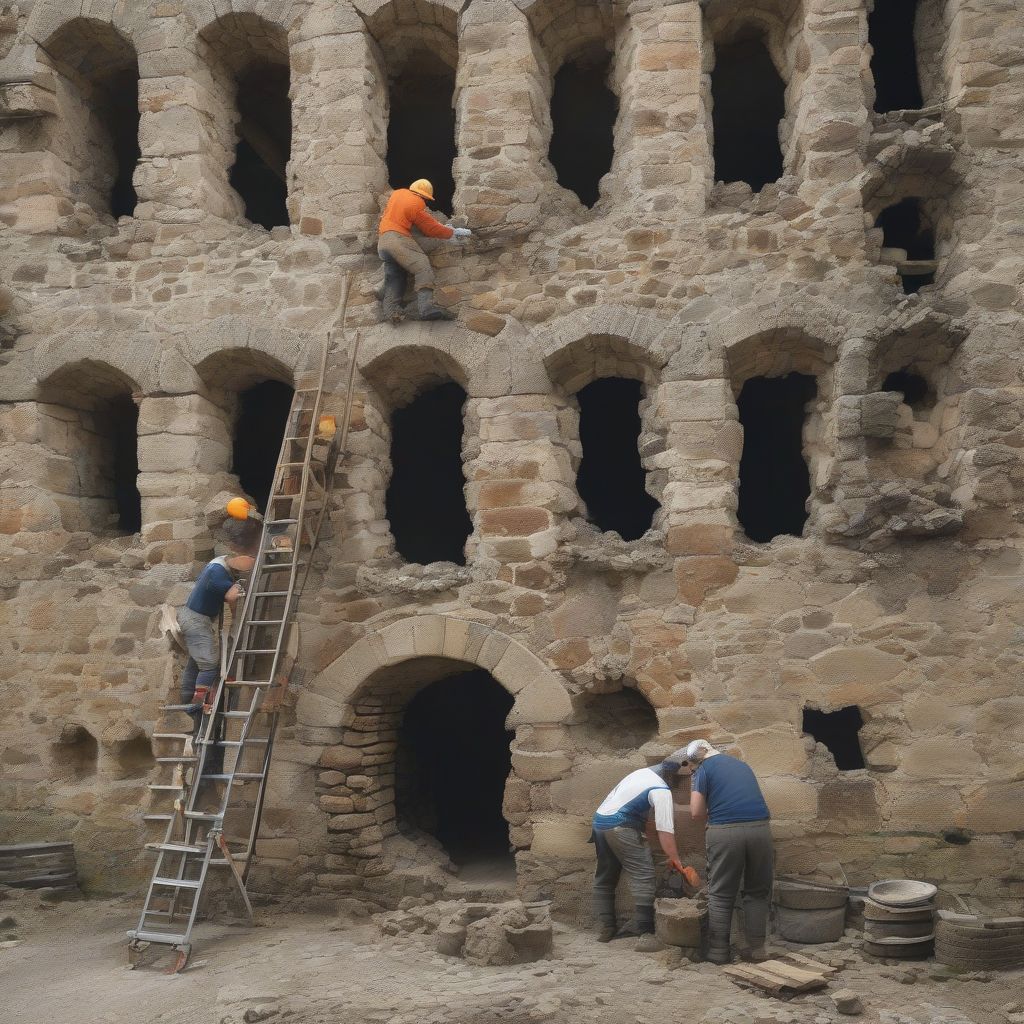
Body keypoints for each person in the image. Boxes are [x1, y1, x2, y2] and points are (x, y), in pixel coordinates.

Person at [686, 738, 773, 964]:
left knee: (721, 894)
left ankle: (718, 952)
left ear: (696, 759)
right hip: (761, 829)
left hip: (725, 831)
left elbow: (695, 812)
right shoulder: (742, 765)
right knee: (757, 891)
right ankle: (757, 950)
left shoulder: (702, 770)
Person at [591, 748, 689, 944]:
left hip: (599, 822)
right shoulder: (661, 790)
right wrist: (676, 860)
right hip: (621, 825)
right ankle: (645, 932)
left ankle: (606, 928)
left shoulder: (640, 774)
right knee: (643, 873)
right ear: (671, 777)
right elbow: (665, 831)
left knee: (605, 875)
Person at [177, 520, 258, 731]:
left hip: (196, 618)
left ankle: (188, 696)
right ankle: (197, 703)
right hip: (195, 619)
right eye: (249, 559)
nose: (250, 563)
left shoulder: (220, 564)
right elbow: (231, 595)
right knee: (209, 662)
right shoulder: (217, 571)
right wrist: (240, 588)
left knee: (198, 660)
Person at [377, 179, 472, 323]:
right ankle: (426, 308)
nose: (425, 202)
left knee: (395, 276)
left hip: (383, 242)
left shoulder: (398, 194)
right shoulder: (416, 203)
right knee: (422, 266)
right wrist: (452, 233)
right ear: (423, 196)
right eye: (425, 199)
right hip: (398, 239)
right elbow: (430, 227)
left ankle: (391, 310)